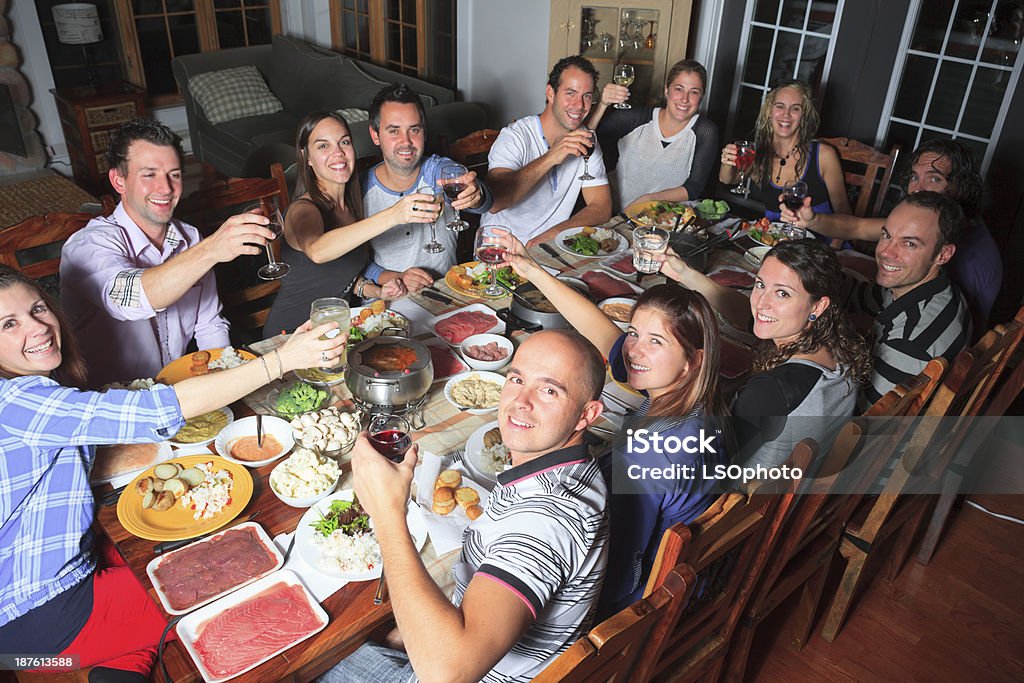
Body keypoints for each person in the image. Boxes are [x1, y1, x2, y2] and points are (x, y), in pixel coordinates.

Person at [0, 264, 344, 683]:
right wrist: (282, 360)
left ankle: (119, 664)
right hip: (39, 623)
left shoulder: (29, 388)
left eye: (37, 309)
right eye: (9, 324)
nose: (36, 328)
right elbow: (157, 409)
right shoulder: (18, 400)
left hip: (21, 647)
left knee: (165, 572)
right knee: (238, 578)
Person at [318, 330, 608, 682]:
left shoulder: (547, 518)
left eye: (549, 390)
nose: (520, 401)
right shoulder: (569, 468)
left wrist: (386, 513)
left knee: (313, 663)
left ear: (586, 414)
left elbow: (446, 674)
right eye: (517, 379)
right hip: (487, 645)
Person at [496, 231, 726, 618]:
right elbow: (603, 334)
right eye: (635, 333)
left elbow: (617, 571)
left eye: (656, 342)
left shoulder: (657, 455)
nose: (634, 350)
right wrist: (532, 270)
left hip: (635, 606)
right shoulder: (692, 397)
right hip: (685, 574)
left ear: (692, 360)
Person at [60, 118, 275, 387]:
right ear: (119, 180)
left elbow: (209, 324)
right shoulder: (87, 246)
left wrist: (224, 380)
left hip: (175, 388)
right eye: (149, 174)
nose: (165, 188)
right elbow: (131, 298)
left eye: (173, 174)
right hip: (109, 402)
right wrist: (211, 250)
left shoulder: (190, 237)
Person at [655, 239, 872, 468]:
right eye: (760, 285)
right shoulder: (835, 342)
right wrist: (684, 273)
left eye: (782, 294)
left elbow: (703, 460)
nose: (761, 303)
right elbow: (746, 315)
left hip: (739, 494)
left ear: (818, 306)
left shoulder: (770, 392)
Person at [780, 138, 1002, 334]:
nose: (917, 189)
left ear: (960, 187)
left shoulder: (969, 257)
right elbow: (858, 227)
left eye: (934, 179)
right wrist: (810, 220)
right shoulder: (936, 224)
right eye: (914, 177)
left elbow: (931, 328)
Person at [264, 111, 442, 334]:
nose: (338, 152)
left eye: (344, 142)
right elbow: (318, 251)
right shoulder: (303, 210)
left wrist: (379, 291)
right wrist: (395, 214)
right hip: (291, 335)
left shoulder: (349, 207)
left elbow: (341, 275)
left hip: (337, 330)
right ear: (306, 157)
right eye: (323, 146)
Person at [844, 192, 971, 406]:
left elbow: (863, 420)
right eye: (886, 236)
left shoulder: (909, 343)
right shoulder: (931, 288)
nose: (886, 252)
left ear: (943, 254)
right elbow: (864, 298)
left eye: (909, 244)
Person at [362, 83, 493, 281]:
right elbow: (351, 265)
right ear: (375, 135)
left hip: (445, 294)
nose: (406, 141)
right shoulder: (360, 189)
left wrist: (476, 196)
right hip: (385, 300)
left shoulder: (437, 172)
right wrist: (395, 278)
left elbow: (484, 201)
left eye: (414, 130)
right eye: (394, 131)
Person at [487, 55, 613, 246]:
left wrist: (553, 234)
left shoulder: (586, 140)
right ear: (550, 93)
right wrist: (552, 157)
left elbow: (602, 207)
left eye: (587, 96)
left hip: (549, 249)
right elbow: (496, 202)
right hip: (499, 249)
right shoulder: (515, 136)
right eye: (570, 93)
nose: (579, 105)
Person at [588, 59, 720, 211]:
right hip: (617, 216)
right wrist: (603, 104)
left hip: (663, 220)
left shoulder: (705, 131)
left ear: (702, 96)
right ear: (666, 90)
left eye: (694, 92)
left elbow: (694, 187)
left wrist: (649, 199)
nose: (685, 98)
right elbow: (587, 141)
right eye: (679, 89)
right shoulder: (636, 118)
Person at [719, 80, 851, 227]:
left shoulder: (824, 155)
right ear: (769, 112)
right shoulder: (760, 154)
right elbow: (727, 179)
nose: (786, 115)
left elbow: (844, 215)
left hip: (820, 245)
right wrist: (728, 162)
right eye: (780, 106)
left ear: (804, 116)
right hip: (774, 242)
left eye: (795, 108)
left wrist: (834, 249)